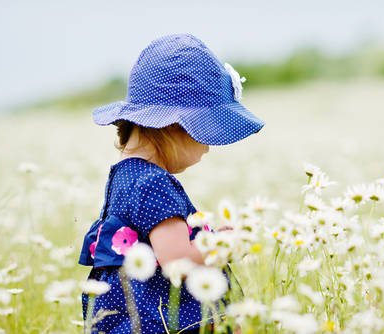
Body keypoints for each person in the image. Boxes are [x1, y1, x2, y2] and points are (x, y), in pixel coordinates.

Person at [78, 33, 264, 333]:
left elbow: (156, 244)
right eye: (206, 132)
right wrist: (224, 246)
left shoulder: (124, 176)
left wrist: (210, 237)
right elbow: (177, 259)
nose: (208, 147)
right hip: (165, 323)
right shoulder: (153, 182)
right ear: (175, 125)